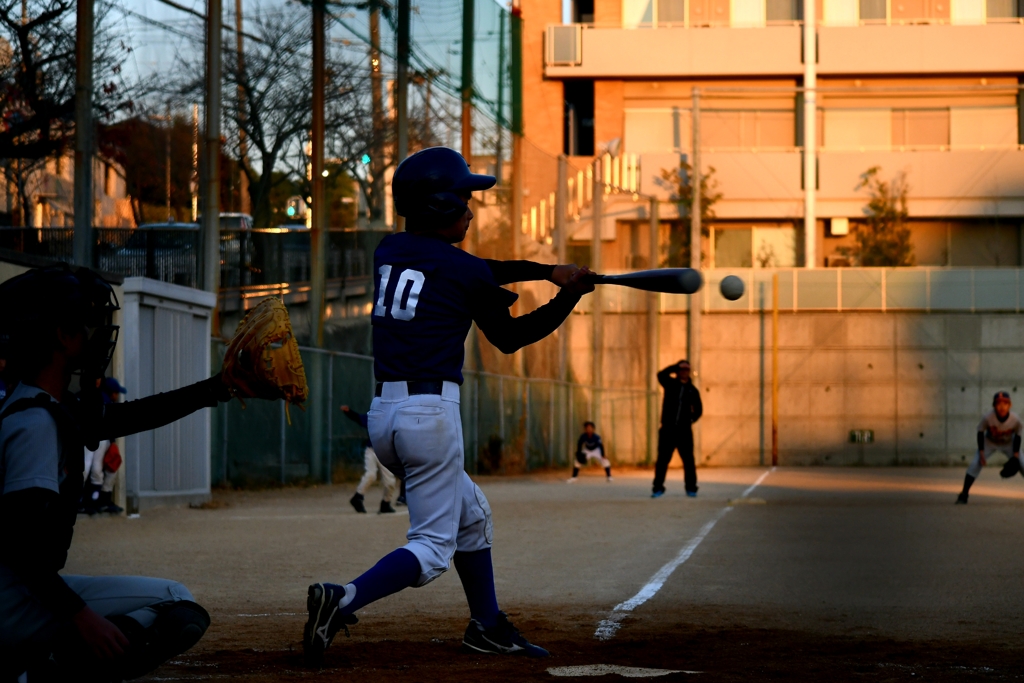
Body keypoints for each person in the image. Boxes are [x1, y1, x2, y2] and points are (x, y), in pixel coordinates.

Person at [302, 147, 594, 665]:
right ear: (439, 207)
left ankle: (487, 626)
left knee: (473, 517)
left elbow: (476, 269)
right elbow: (510, 336)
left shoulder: (389, 250)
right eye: (463, 199)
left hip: (385, 416)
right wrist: (568, 296)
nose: (470, 208)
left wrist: (548, 270)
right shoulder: (462, 271)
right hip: (430, 418)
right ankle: (342, 598)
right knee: (433, 548)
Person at [0, 265, 236, 682]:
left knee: (171, 600)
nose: (97, 333)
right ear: (61, 334)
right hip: (11, 599)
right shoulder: (34, 421)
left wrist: (217, 387)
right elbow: (21, 546)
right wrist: (83, 617)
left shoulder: (43, 404)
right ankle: (41, 672)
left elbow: (130, 416)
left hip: (20, 591)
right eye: (87, 323)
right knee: (176, 607)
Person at [956, 391, 1023, 504]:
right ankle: (964, 494)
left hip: (1009, 443)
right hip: (990, 442)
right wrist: (981, 452)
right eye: (998, 404)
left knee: (1023, 463)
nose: (1002, 407)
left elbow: (1018, 435)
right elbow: (980, 432)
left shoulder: (1015, 419)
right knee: (975, 464)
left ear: (1010, 405)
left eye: (1005, 403)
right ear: (994, 406)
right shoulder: (988, 417)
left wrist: (1016, 455)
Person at [652, 360, 703, 499]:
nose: (684, 372)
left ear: (689, 372)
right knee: (662, 460)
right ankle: (658, 488)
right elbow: (660, 374)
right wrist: (674, 367)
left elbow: (698, 410)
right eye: (681, 369)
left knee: (688, 461)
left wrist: (690, 420)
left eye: (686, 370)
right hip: (667, 430)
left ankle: (691, 488)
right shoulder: (670, 384)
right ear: (678, 371)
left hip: (684, 431)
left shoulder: (692, 390)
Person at [80, 378, 128, 515]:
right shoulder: (101, 400)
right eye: (116, 393)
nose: (117, 396)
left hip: (95, 438)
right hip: (94, 437)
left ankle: (93, 502)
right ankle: (92, 502)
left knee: (94, 469)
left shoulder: (91, 397)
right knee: (89, 469)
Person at [341, 404, 398, 514]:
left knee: (390, 481)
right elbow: (359, 418)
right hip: (371, 450)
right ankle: (358, 497)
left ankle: (385, 504)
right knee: (371, 475)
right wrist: (349, 412)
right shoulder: (374, 417)